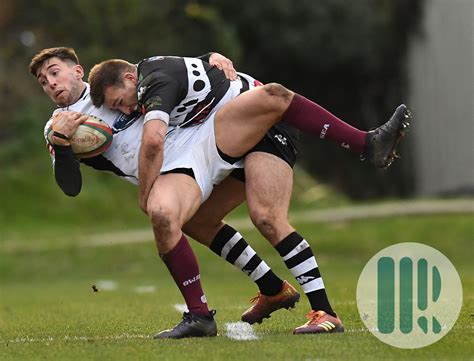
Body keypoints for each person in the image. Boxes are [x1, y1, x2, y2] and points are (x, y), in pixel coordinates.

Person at [30, 47, 347, 338]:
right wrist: (61, 144)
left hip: (207, 138)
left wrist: (210, 58)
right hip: (181, 173)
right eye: (44, 81)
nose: (51, 83)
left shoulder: (111, 85)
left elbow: (168, 74)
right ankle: (238, 300)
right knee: (181, 219)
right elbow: (70, 187)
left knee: (268, 216)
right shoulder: (57, 127)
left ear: (78, 71)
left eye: (54, 72)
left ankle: (323, 309)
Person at [88, 56, 410, 334]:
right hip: (229, 134)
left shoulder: (154, 81)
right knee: (198, 220)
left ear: (131, 78)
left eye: (120, 101)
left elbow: (154, 140)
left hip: (266, 130)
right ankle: (272, 289)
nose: (127, 109)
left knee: (267, 217)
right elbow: (198, 66)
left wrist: (145, 195)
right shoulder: (157, 69)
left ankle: (326, 312)